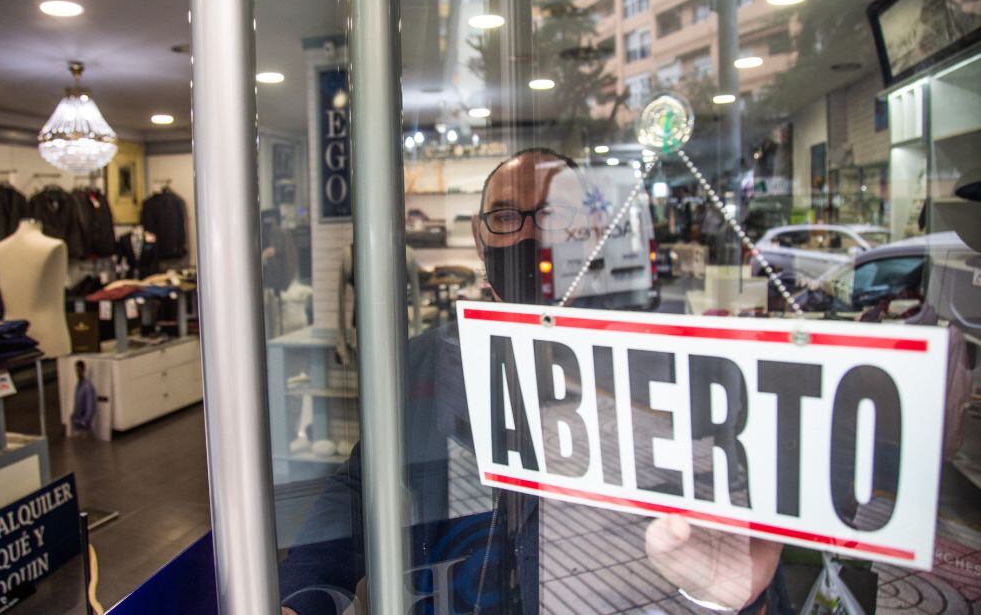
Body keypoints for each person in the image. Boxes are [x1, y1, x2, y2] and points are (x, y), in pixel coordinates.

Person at [279, 148, 786, 614]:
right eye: (504, 217)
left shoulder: (654, 370)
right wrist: (304, 595)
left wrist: (718, 599)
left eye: (551, 216)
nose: (525, 234)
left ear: (589, 233)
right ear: (480, 240)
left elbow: (721, 559)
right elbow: (362, 486)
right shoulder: (427, 362)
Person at [70, 360, 96, 434]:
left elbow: (90, 406)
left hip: (83, 423)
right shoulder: (78, 385)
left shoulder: (87, 387)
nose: (77, 373)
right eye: (76, 371)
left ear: (83, 370)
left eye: (79, 370)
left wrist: (84, 421)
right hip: (77, 421)